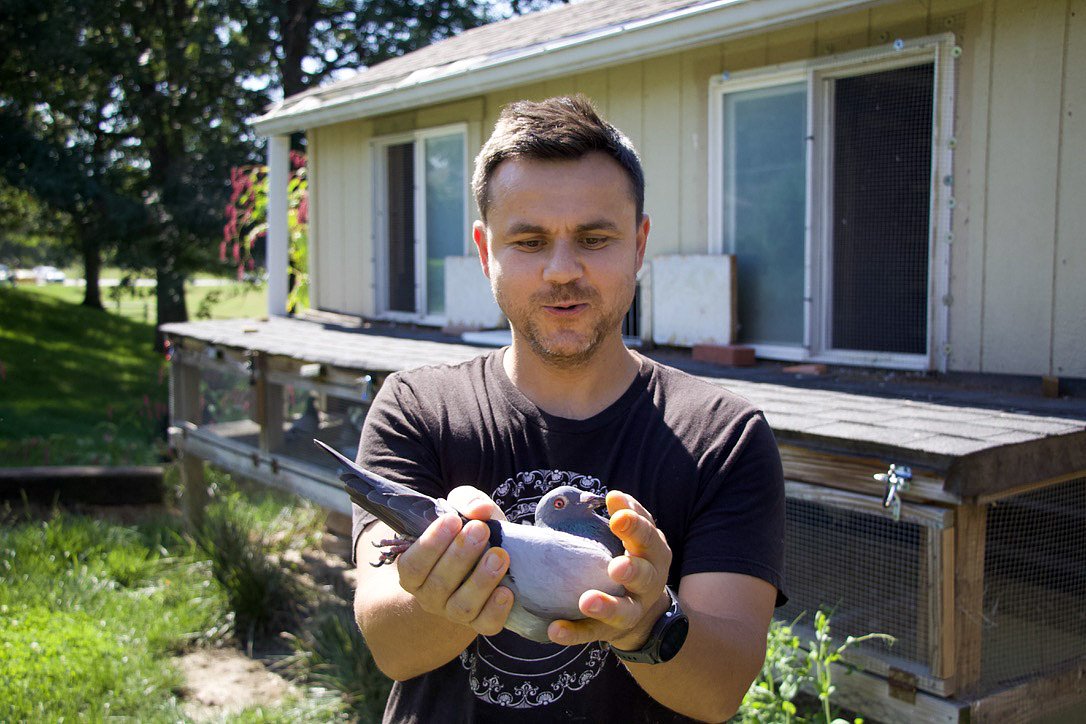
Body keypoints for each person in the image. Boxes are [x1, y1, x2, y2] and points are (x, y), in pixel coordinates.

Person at [351, 95, 786, 723]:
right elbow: (391, 645)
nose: (562, 270)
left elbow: (719, 690)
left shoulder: (722, 437)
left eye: (594, 237)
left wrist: (646, 625)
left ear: (639, 244)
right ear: (485, 251)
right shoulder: (417, 409)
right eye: (528, 241)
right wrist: (447, 587)